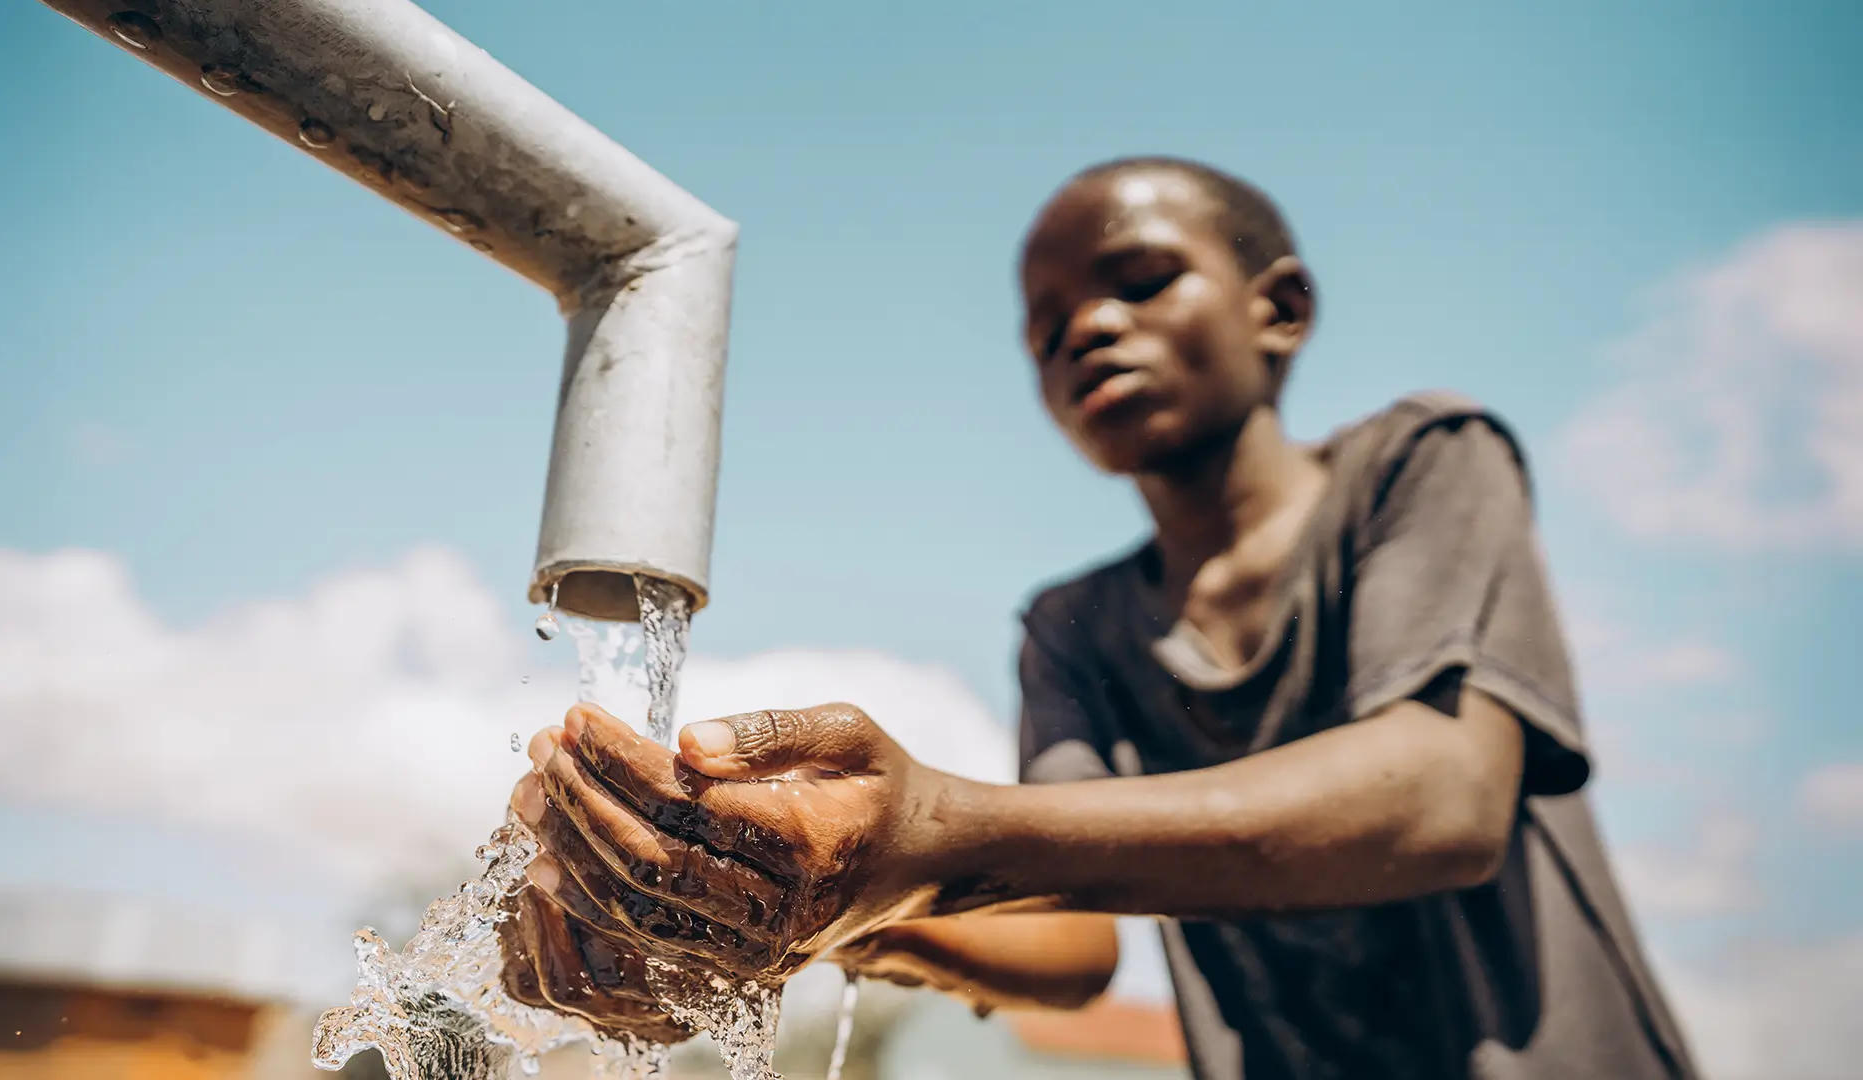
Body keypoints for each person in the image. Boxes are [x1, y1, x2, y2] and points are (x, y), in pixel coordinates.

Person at [498, 157, 1701, 1079]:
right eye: (1045, 326)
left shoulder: (1425, 465)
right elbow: (1068, 943)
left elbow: (1442, 798)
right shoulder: (1074, 627)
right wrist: (780, 907)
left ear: (1278, 309)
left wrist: (933, 829)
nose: (1085, 329)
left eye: (1138, 281)